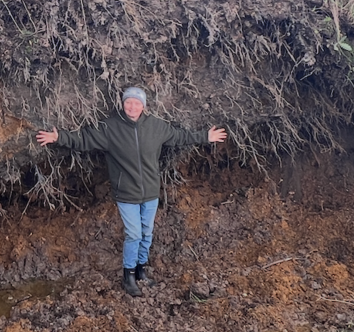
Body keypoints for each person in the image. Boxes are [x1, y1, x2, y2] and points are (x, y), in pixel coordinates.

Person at [35, 86, 227, 297]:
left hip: (151, 192)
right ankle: (129, 275)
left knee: (147, 233)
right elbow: (84, 139)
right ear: (123, 104)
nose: (132, 107)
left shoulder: (156, 126)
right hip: (126, 193)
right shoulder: (110, 128)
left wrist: (205, 136)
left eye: (136, 103)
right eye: (128, 102)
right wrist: (58, 137)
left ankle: (141, 271)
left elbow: (180, 136)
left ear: (143, 106)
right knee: (134, 234)